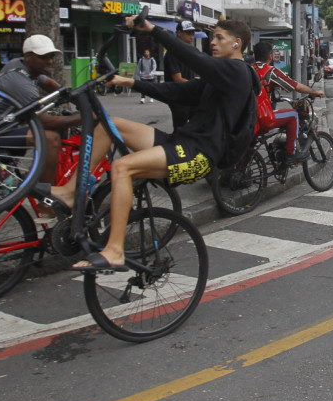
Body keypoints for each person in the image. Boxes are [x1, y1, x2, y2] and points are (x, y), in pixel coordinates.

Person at [53, 18, 257, 271]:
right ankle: (71, 192)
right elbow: (179, 92)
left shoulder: (236, 72)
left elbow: (195, 59)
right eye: (212, 38)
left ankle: (114, 250)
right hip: (182, 142)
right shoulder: (221, 76)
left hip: (198, 157)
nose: (212, 43)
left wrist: (154, 30)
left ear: (237, 44)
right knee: (108, 124)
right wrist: (132, 83)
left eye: (218, 38)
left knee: (122, 167)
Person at [0, 35, 82, 183]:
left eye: (51, 57)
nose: (49, 61)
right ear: (28, 56)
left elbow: (48, 83)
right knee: (50, 138)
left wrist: (73, 97)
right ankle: (46, 194)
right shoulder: (21, 83)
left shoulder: (17, 65)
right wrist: (82, 116)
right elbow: (43, 121)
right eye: (43, 57)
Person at [252, 41, 324, 164]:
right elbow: (294, 85)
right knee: (292, 115)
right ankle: (291, 153)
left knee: (251, 146)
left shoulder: (248, 68)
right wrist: (313, 92)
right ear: (270, 56)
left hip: (248, 118)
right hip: (261, 117)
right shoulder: (270, 71)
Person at [164, 21, 199, 130]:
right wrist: (198, 85)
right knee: (180, 126)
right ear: (179, 33)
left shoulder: (189, 51)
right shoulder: (173, 53)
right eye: (188, 33)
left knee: (197, 122)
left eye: (193, 33)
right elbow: (177, 79)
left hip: (190, 93)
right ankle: (176, 145)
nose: (192, 36)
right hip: (178, 95)